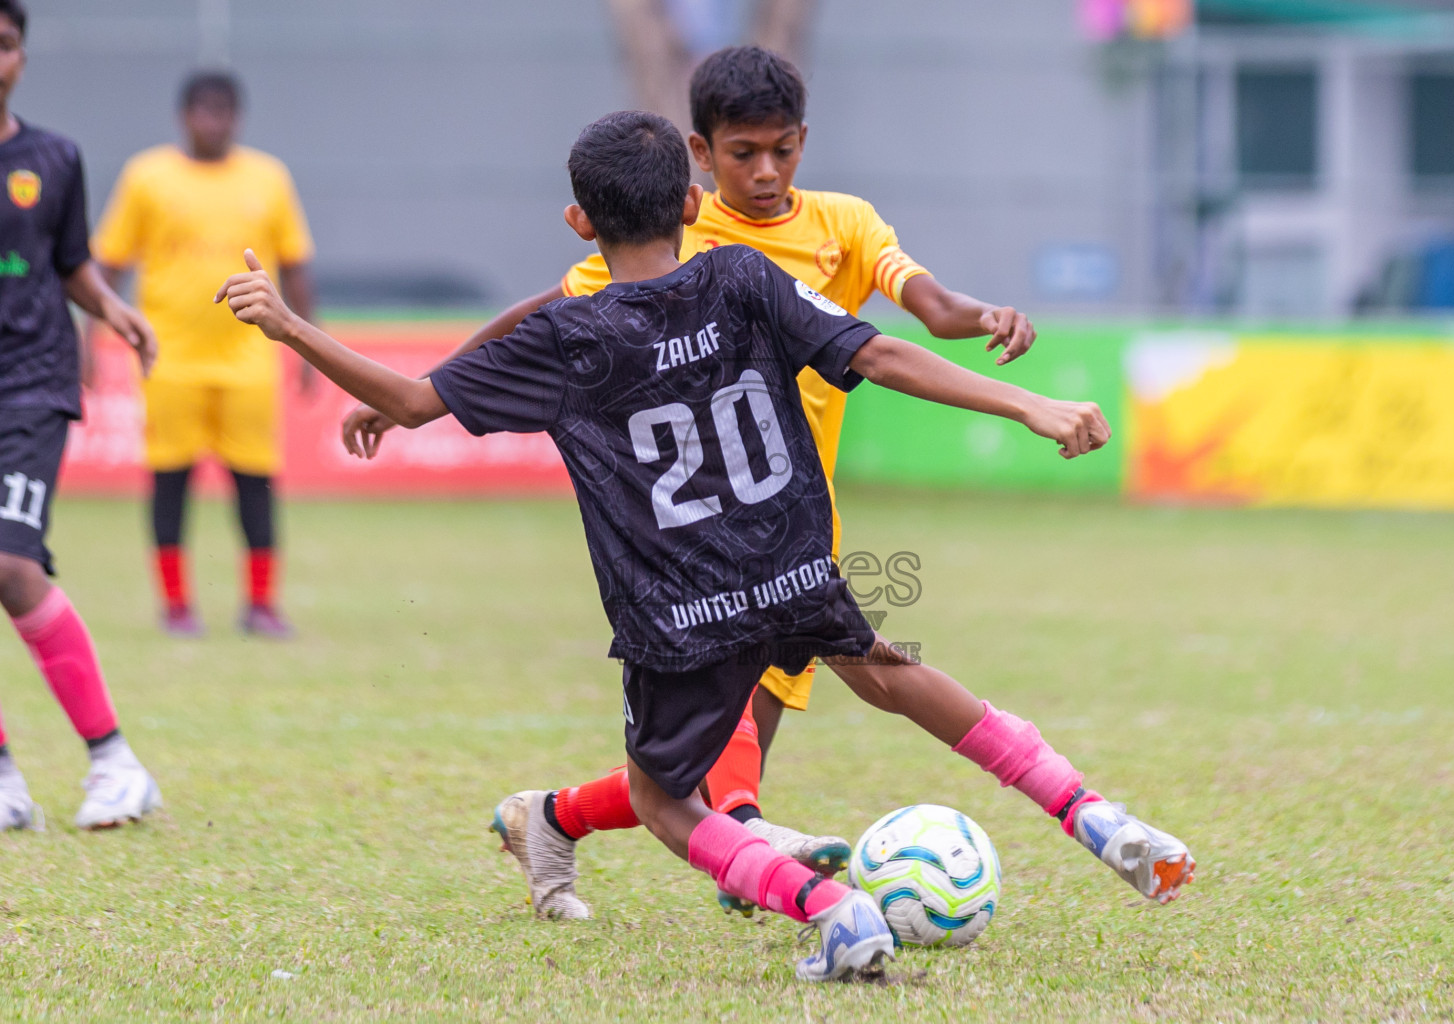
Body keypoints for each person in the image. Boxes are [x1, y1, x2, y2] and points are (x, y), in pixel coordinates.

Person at [218, 110, 1194, 981]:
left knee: (661, 796)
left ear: (578, 224)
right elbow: (880, 352)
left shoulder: (567, 334)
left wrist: (289, 324)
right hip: (790, 562)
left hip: (679, 609)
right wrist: (1027, 402)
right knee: (892, 673)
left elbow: (411, 400)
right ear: (692, 200)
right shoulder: (739, 273)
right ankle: (1093, 814)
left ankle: (829, 908)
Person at [339, 46, 1046, 910]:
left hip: (790, 517)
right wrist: (433, 388)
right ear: (699, 161)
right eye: (743, 152)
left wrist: (990, 320)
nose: (766, 170)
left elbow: (926, 314)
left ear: (803, 142)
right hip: (688, 528)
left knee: (695, 755)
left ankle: (559, 817)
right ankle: (755, 835)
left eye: (782, 149)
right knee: (728, 719)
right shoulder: (677, 233)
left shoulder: (844, 224)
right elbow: (545, 314)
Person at [0, 0, 163, 831]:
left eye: (4, 45)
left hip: (28, 380)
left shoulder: (51, 158)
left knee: (11, 567)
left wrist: (112, 310)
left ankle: (114, 762)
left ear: (21, 57)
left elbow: (71, 264)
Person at [92, 69, 316, 638]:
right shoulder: (147, 176)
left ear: (235, 118)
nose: (211, 121)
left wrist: (309, 349)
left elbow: (295, 267)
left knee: (255, 484)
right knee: (170, 482)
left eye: (222, 111)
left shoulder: (268, 178)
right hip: (168, 360)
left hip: (249, 361)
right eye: (202, 111)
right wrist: (86, 339)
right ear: (183, 116)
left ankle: (261, 605)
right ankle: (176, 607)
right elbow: (106, 267)